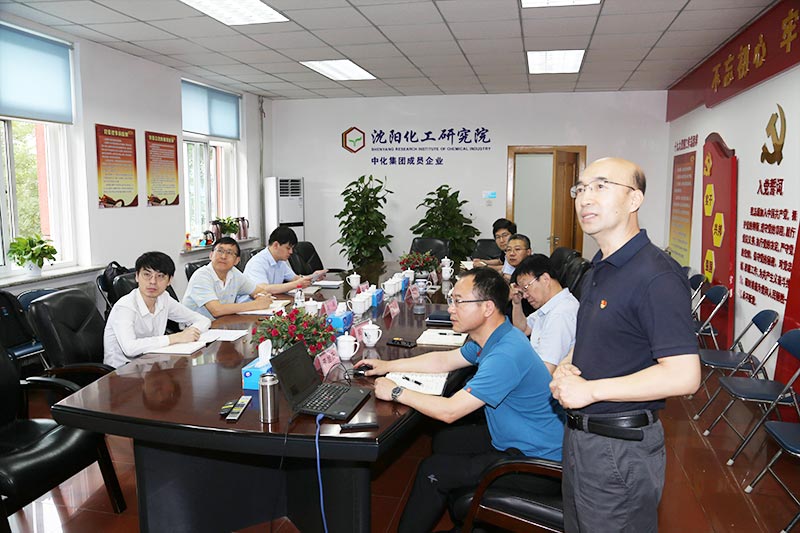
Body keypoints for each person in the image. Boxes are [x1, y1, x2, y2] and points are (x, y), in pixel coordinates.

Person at [549, 157, 700, 532]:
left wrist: (590, 390)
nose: (585, 198)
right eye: (581, 188)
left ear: (634, 199)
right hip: (581, 438)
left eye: (601, 186)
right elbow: (599, 334)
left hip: (619, 447)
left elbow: (684, 375)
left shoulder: (656, 276)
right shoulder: (600, 266)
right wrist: (567, 363)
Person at [355, 267, 564, 532]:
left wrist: (396, 392)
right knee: (445, 441)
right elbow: (443, 361)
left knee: (432, 471)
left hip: (536, 460)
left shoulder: (505, 355)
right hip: (515, 436)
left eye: (458, 301)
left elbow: (450, 411)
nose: (451, 309)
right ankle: (468, 513)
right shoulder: (493, 336)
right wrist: (387, 366)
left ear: (487, 307)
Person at [104, 251, 211, 368]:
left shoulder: (163, 298)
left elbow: (203, 320)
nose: (153, 282)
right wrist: (176, 337)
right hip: (121, 371)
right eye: (147, 275)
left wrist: (191, 333)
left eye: (160, 276)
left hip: (152, 364)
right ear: (137, 277)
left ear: (169, 280)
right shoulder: (125, 307)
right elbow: (130, 348)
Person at [511, 254, 579, 374]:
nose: (525, 296)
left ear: (545, 279)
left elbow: (546, 371)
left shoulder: (560, 314)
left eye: (526, 288)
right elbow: (523, 329)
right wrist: (517, 304)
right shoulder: (551, 305)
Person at [182, 237, 274, 319]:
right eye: (220, 251)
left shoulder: (234, 273)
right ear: (211, 255)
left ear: (237, 260)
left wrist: (261, 298)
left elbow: (259, 291)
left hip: (223, 324)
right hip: (195, 328)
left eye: (229, 253)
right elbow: (216, 310)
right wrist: (255, 304)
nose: (223, 256)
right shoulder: (201, 276)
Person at [244, 226, 325, 294]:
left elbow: (295, 278)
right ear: (276, 245)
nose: (291, 252)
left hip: (272, 302)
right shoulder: (257, 262)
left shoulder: (280, 262)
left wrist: (313, 277)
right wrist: (295, 284)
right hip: (252, 305)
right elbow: (263, 289)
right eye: (288, 248)